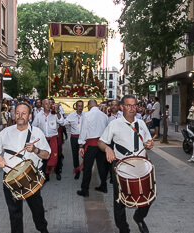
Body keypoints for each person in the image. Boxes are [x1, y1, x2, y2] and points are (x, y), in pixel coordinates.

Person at [0, 102, 50, 233]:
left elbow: (47, 155)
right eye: (17, 113)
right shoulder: (6, 132)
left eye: (24, 113)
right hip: (10, 178)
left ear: (30, 116)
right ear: (14, 115)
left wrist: (35, 149)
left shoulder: (37, 133)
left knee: (37, 209)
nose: (20, 116)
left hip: (31, 177)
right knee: (14, 212)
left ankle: (43, 230)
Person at [98, 95, 154, 233]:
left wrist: (149, 144)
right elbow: (101, 142)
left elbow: (148, 141)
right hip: (121, 166)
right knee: (119, 200)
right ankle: (123, 228)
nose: (132, 108)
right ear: (122, 107)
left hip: (141, 164)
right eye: (128, 105)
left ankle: (139, 218)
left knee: (148, 195)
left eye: (134, 105)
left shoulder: (141, 123)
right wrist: (107, 148)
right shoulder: (114, 124)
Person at [77, 99, 108, 197]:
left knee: (87, 167)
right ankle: (104, 185)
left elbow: (83, 130)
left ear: (89, 106)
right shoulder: (104, 116)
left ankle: (85, 190)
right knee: (102, 166)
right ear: (97, 105)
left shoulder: (87, 115)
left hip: (91, 144)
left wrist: (81, 144)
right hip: (102, 144)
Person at [32, 99, 64, 181]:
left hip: (53, 139)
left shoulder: (54, 114)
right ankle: (45, 175)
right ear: (43, 105)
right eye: (46, 104)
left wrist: (57, 112)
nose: (48, 105)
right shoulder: (39, 115)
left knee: (56, 157)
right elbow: (34, 127)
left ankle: (58, 172)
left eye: (49, 103)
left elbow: (62, 122)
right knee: (44, 157)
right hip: (44, 140)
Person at [63, 100, 86, 179]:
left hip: (83, 138)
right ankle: (77, 171)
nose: (80, 108)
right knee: (75, 156)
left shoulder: (86, 115)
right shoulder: (71, 115)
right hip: (74, 138)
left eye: (81, 106)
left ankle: (85, 170)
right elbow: (63, 123)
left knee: (85, 156)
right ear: (76, 107)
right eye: (79, 106)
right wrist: (58, 115)